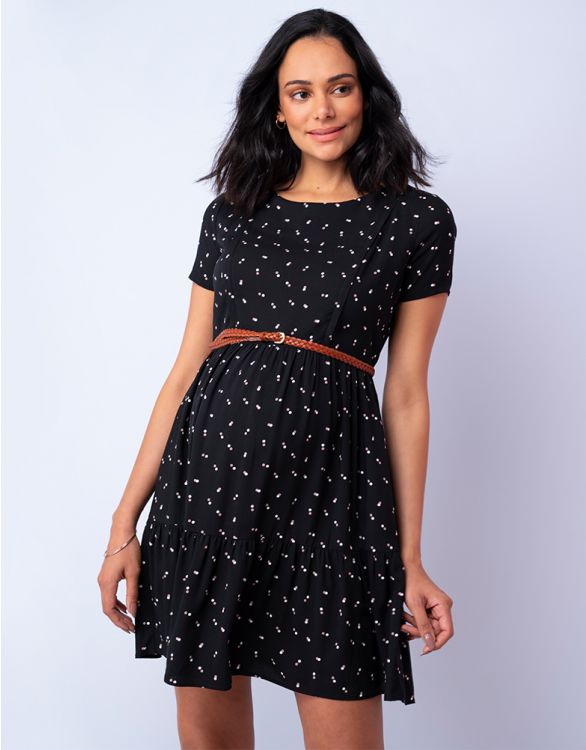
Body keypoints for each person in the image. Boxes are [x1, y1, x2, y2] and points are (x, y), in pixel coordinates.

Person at [97, 8, 456, 749]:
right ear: (276, 108)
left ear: (367, 97)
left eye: (340, 88)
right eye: (301, 92)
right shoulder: (232, 215)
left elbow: (407, 395)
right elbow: (184, 372)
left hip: (333, 501)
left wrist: (409, 557)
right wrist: (122, 524)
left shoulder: (417, 222)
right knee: (212, 739)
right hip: (210, 493)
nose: (322, 109)